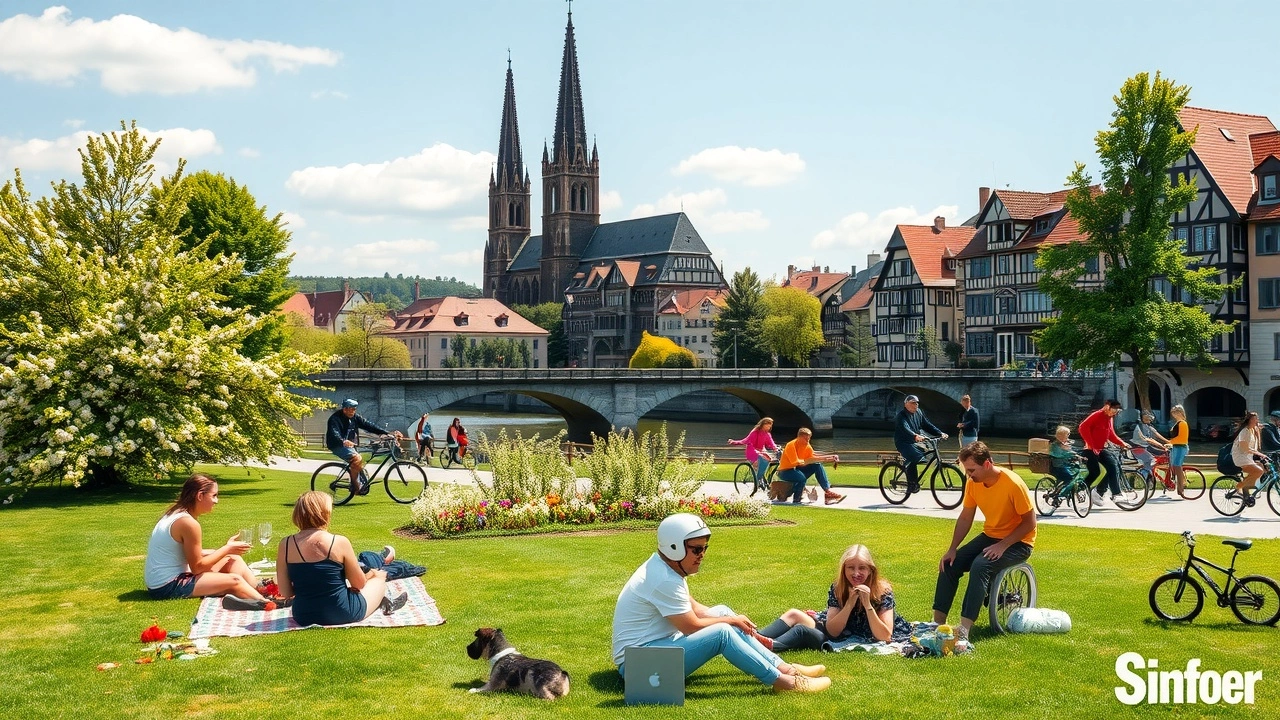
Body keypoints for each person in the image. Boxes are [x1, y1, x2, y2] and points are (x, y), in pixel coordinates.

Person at [610, 513, 831, 693]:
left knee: (722, 612)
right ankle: (787, 683)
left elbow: (694, 608)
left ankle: (785, 669)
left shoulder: (663, 568)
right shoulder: (663, 578)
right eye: (696, 549)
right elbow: (691, 626)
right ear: (674, 547)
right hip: (638, 668)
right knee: (722, 632)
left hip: (651, 651)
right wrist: (731, 621)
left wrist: (728, 617)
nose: (702, 555)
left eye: (705, 548)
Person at [933, 442, 1036, 642]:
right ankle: (936, 624)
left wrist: (1003, 545)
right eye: (966, 470)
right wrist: (952, 549)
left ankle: (963, 630)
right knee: (949, 564)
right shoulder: (973, 483)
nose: (969, 475)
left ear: (987, 464)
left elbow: (1030, 523)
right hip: (991, 535)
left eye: (972, 470)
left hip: (1019, 542)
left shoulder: (1013, 483)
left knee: (981, 565)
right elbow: (965, 517)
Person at [275, 491, 408, 626]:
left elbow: (285, 592)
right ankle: (387, 602)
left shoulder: (285, 544)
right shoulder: (338, 542)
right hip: (341, 612)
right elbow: (359, 584)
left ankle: (383, 600)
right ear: (325, 514)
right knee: (379, 578)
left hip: (303, 615)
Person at [757, 544, 913, 650]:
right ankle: (753, 637)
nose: (856, 573)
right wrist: (849, 604)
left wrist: (867, 605)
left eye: (862, 568)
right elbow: (832, 629)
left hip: (853, 636)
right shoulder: (839, 587)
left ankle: (767, 646)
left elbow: (885, 636)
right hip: (838, 630)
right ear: (844, 570)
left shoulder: (883, 591)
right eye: (850, 568)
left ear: (871, 570)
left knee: (802, 631)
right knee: (793, 614)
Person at [144, 474, 269, 605]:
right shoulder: (188, 523)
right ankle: (265, 602)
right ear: (199, 496)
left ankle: (259, 591)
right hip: (167, 586)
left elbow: (186, 552)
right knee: (235, 580)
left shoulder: (176, 514)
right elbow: (197, 568)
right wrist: (226, 548)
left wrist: (227, 550)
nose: (217, 501)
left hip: (161, 581)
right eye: (214, 495)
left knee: (233, 559)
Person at [326, 399, 400, 495]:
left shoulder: (354, 417)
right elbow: (334, 433)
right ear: (345, 409)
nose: (353, 411)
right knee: (357, 458)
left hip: (351, 444)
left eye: (354, 409)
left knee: (364, 456)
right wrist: (343, 441)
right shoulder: (334, 419)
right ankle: (355, 487)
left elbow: (368, 425)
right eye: (351, 409)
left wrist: (386, 433)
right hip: (337, 445)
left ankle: (358, 478)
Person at [1077, 399, 1131, 507]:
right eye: (1114, 409)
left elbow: (1111, 434)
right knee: (1095, 472)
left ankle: (1115, 494)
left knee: (1112, 466)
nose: (1115, 412)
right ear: (1107, 407)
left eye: (1117, 410)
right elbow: (1082, 428)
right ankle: (1081, 489)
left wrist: (1122, 443)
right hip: (1089, 450)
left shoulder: (1109, 418)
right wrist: (1091, 445)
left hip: (1101, 449)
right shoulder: (1097, 415)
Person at [894, 395, 947, 494]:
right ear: (906, 404)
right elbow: (905, 428)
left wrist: (940, 433)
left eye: (917, 403)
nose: (916, 405)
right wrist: (915, 435)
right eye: (913, 403)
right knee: (915, 457)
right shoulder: (901, 416)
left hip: (915, 441)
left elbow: (927, 425)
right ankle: (911, 484)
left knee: (926, 453)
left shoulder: (919, 412)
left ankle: (910, 473)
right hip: (903, 442)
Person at [776, 428, 844, 505]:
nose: (807, 441)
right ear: (799, 437)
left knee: (817, 465)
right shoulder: (791, 445)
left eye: (809, 438)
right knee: (801, 478)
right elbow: (796, 462)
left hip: (795, 469)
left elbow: (813, 456)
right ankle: (795, 499)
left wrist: (831, 456)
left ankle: (827, 492)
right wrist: (823, 459)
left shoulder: (807, 445)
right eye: (805, 439)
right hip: (785, 471)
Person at [728, 417, 780, 492]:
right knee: (762, 459)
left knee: (769, 459)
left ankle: (761, 478)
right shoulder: (755, 432)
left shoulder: (767, 434)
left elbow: (771, 443)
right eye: (768, 425)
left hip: (761, 451)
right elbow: (746, 440)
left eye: (770, 426)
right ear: (763, 424)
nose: (769, 427)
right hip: (752, 451)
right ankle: (758, 478)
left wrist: (775, 448)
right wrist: (734, 442)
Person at [1229, 412, 1268, 499]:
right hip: (1240, 458)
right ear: (1249, 420)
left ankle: (1247, 490)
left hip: (1247, 457)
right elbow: (1245, 449)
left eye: (1257, 419)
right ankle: (1238, 488)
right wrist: (1260, 454)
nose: (1256, 421)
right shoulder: (1244, 431)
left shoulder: (1252, 430)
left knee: (1262, 467)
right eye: (1254, 419)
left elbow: (1255, 446)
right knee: (1258, 471)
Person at [1131, 412, 1172, 484]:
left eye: (1150, 418)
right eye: (1146, 417)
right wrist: (1161, 445)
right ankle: (1143, 474)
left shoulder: (1148, 426)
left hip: (1146, 447)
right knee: (1152, 459)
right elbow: (1147, 439)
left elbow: (1157, 435)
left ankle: (1152, 474)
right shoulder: (1138, 427)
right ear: (1142, 417)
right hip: (1137, 448)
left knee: (1165, 453)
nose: (1149, 419)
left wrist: (1169, 442)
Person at [1048, 425, 1084, 490]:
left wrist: (1078, 455)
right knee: (1069, 478)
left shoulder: (1063, 444)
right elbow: (1060, 454)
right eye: (1067, 434)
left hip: (1063, 465)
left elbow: (1070, 451)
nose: (1068, 436)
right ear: (1062, 435)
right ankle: (1057, 493)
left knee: (1075, 470)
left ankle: (1058, 490)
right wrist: (1072, 454)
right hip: (1058, 466)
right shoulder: (1055, 445)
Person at [1166, 405, 1191, 497]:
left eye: (1175, 413)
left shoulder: (1182, 423)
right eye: (1173, 413)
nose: (1173, 415)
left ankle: (1181, 488)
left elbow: (1182, 438)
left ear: (1180, 412)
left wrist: (1170, 441)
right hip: (1176, 447)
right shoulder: (1178, 423)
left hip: (1181, 447)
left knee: (1177, 466)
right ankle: (1181, 484)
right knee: (1175, 466)